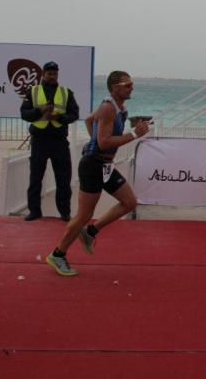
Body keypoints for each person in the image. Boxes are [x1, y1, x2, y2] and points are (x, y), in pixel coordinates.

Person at [45, 70, 150, 277]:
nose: (132, 88)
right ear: (114, 88)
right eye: (127, 85)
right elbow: (103, 143)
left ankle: (91, 231)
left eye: (132, 84)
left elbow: (89, 120)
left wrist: (95, 138)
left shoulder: (120, 109)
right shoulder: (107, 108)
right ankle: (58, 254)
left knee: (129, 202)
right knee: (84, 215)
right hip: (93, 165)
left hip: (105, 166)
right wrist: (133, 134)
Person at [20, 61, 80, 222]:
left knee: (63, 179)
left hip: (59, 141)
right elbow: (24, 114)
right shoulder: (33, 91)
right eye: (49, 74)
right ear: (43, 74)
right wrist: (39, 110)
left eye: (55, 74)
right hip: (39, 140)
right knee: (35, 178)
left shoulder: (66, 92)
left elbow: (74, 115)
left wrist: (58, 117)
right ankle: (34, 211)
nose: (52, 77)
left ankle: (64, 212)